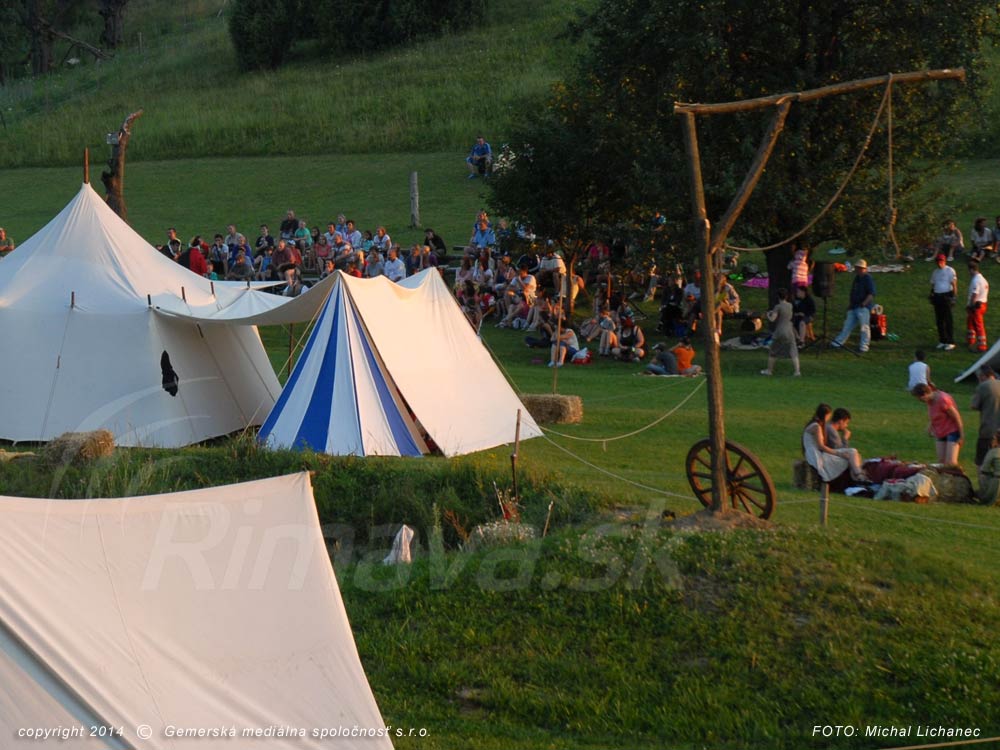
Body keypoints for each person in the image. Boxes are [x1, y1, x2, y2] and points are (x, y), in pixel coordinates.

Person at [802, 404, 868, 483]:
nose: (829, 418)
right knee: (852, 452)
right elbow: (821, 446)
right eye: (829, 416)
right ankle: (859, 476)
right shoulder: (817, 427)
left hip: (815, 453)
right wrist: (842, 447)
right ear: (825, 415)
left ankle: (858, 477)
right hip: (816, 455)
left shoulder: (815, 425)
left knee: (853, 454)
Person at [911, 383, 964, 465]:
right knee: (941, 462)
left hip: (952, 431)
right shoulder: (929, 400)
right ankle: (945, 474)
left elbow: (956, 417)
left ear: (925, 394)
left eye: (920, 398)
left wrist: (961, 435)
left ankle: (959, 473)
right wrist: (930, 426)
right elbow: (935, 414)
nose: (920, 401)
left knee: (951, 463)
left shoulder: (943, 400)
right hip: (940, 432)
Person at [831, 259, 875, 353]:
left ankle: (864, 346)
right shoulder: (857, 278)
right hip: (854, 306)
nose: (857, 270)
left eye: (858, 268)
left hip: (863, 307)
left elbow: (871, 294)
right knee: (847, 325)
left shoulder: (868, 278)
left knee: (864, 327)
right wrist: (851, 304)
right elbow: (853, 292)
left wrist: (864, 303)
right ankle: (838, 343)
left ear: (863, 268)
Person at [761, 288, 801, 376]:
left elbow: (772, 319)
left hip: (779, 331)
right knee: (793, 350)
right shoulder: (790, 305)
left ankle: (769, 371)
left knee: (773, 351)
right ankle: (797, 371)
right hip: (789, 330)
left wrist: (768, 314)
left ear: (778, 296)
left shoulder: (777, 307)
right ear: (786, 296)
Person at [971, 365, 1000, 466]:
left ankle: (983, 477)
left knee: (981, 461)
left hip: (988, 430)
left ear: (982, 376)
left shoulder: (983, 386)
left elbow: (974, 406)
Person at [929, 253, 957, 350]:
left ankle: (950, 341)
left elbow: (954, 284)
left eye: (941, 261)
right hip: (937, 296)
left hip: (946, 296)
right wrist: (932, 294)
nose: (939, 263)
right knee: (939, 320)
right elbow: (933, 284)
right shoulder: (935, 272)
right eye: (938, 261)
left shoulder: (950, 270)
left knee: (948, 320)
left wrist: (954, 297)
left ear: (944, 261)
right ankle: (942, 340)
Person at [965, 260, 989, 353]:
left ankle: (982, 346)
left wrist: (971, 305)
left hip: (976, 306)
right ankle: (970, 340)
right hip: (983, 303)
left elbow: (974, 294)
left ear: (971, 269)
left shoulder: (976, 280)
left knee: (978, 326)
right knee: (970, 322)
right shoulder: (983, 279)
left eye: (969, 270)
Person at [975, 429, 1000, 505]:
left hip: (997, 483)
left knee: (983, 475)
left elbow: (984, 469)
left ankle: (986, 495)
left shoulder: (993, 452)